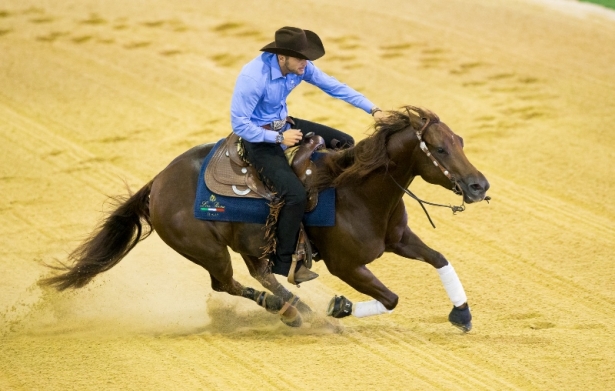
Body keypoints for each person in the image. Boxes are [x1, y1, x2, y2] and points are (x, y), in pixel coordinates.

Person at [230, 26, 384, 284]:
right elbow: (240, 125)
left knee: (346, 142)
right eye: (301, 57)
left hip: (285, 125)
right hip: (258, 139)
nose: (307, 63)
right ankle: (285, 262)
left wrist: (374, 110)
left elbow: (335, 87)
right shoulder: (253, 78)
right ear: (282, 57)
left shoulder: (300, 67)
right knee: (294, 195)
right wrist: (279, 138)